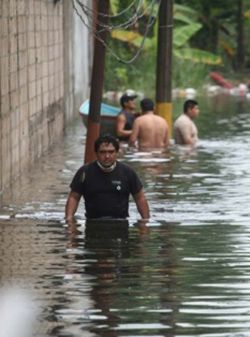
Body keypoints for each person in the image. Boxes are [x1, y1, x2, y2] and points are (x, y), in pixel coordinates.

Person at [65, 133, 150, 221]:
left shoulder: (127, 172)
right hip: (93, 224)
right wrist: (69, 220)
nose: (107, 156)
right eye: (102, 152)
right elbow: (74, 197)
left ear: (117, 152)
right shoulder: (85, 172)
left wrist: (145, 221)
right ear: (96, 153)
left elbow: (140, 197)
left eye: (111, 152)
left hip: (120, 224)